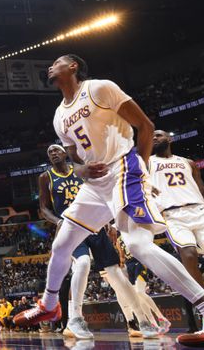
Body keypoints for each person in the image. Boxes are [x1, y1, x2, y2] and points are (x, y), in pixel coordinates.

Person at [13, 54, 204, 346]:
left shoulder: (100, 88)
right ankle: (50, 305)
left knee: (138, 245)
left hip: (123, 168)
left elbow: (145, 126)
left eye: (56, 62)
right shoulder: (58, 116)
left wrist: (141, 168)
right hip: (95, 184)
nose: (49, 67)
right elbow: (75, 158)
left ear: (73, 67)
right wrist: (81, 169)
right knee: (61, 243)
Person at [38, 143, 158, 339]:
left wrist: (109, 220)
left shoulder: (82, 171)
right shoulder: (46, 177)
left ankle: (142, 319)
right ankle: (75, 318)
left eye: (56, 150)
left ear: (65, 153)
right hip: (73, 227)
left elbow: (104, 193)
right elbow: (43, 208)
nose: (52, 153)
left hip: (95, 225)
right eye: (49, 152)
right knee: (83, 264)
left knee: (116, 274)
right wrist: (58, 221)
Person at [149, 129, 204, 284]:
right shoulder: (146, 162)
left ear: (169, 139)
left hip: (200, 211)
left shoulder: (188, 162)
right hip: (172, 215)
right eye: (152, 137)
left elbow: (202, 189)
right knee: (189, 255)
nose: (154, 138)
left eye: (158, 135)